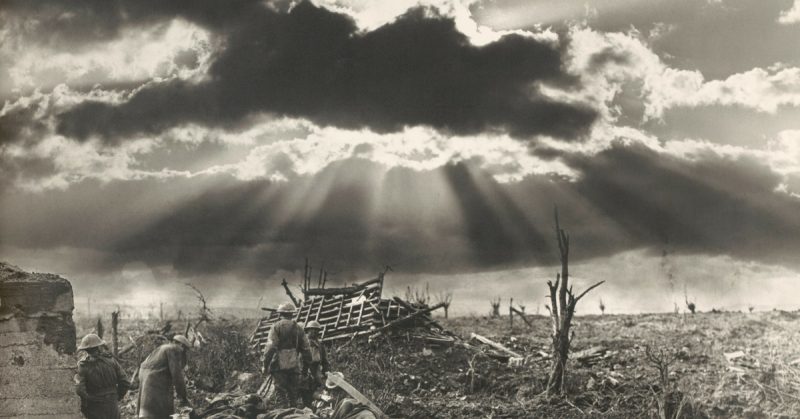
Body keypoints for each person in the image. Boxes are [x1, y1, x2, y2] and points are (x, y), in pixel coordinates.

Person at [262, 302, 312, 409]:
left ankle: (283, 413)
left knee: (281, 394)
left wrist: (265, 365)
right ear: (292, 314)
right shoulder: (299, 329)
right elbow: (307, 350)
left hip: (278, 367)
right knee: (293, 395)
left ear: (280, 314)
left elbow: (270, 348)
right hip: (294, 366)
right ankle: (293, 413)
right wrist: (305, 369)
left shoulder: (276, 327)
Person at [75, 333, 131, 419]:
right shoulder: (111, 361)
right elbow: (125, 382)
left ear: (85, 350)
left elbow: (79, 390)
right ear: (99, 347)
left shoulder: (82, 366)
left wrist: (88, 403)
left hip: (94, 407)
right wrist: (116, 397)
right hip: (112, 404)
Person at [137, 335, 192, 419]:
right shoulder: (174, 349)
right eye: (185, 350)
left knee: (147, 411)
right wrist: (183, 397)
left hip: (145, 378)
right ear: (181, 345)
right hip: (155, 381)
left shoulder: (162, 348)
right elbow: (177, 376)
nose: (183, 352)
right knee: (161, 413)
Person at [301, 320, 330, 408]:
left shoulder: (320, 345)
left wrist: (326, 371)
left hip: (316, 371)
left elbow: (324, 360)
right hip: (305, 371)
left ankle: (317, 408)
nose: (314, 332)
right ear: (308, 331)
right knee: (305, 392)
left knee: (318, 391)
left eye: (316, 330)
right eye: (312, 330)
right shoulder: (303, 344)